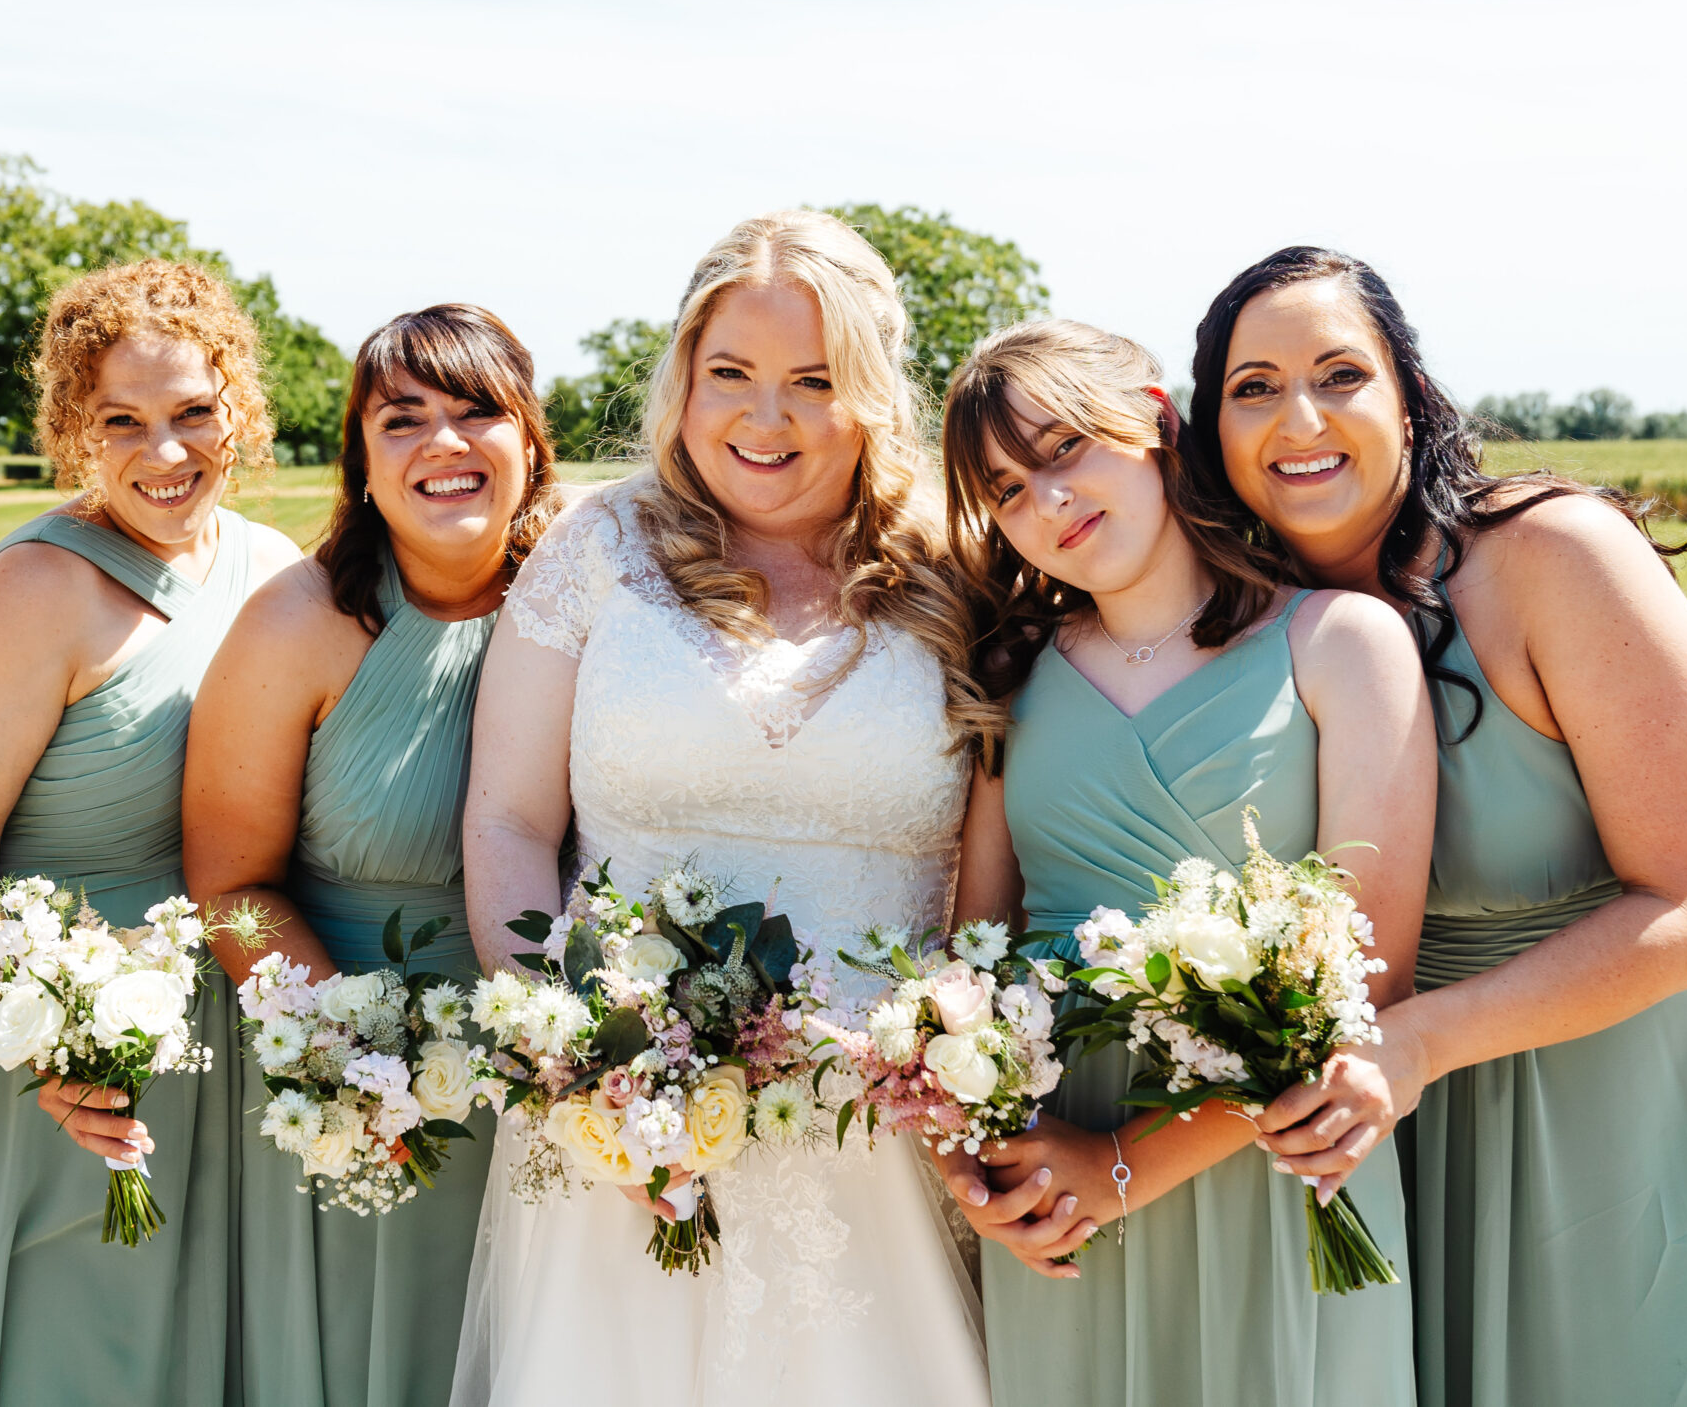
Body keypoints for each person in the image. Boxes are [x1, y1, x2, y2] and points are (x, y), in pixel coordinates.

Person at [1192, 248, 1687, 1407]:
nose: (1300, 416)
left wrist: (1425, 1042)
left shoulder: (1549, 556)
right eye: (1253, 386)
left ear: (1409, 396)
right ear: (1210, 425)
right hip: (1400, 1107)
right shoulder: (1232, 614)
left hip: (1623, 1078)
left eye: (1341, 373)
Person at [452, 210, 992, 1406]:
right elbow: (505, 823)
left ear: (871, 394)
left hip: (881, 1141)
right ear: (681, 382)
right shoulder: (600, 548)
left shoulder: (960, 570)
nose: (766, 417)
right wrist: (571, 1053)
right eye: (730, 375)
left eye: (814, 381)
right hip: (625, 1133)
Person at [931, 319, 1432, 1406]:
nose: (1047, 503)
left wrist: (1122, 1173)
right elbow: (966, 963)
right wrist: (980, 1173)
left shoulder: (1341, 642)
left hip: (1271, 1151)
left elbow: (1370, 980)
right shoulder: (1010, 680)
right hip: (1053, 1175)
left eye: (1064, 449)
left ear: (1155, 422)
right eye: (1009, 491)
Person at [0, 258, 302, 1407]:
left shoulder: (275, 569)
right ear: (75, 427)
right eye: (123, 421)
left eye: (194, 415)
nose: (165, 453)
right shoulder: (31, 593)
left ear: (239, 410)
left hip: (225, 1049)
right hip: (55, 1070)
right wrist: (54, 1045)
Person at [186, 303, 563, 1407]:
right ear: (361, 458)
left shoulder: (590, 603)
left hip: (565, 1074)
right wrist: (356, 1063)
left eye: (476, 412)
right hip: (365, 1087)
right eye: (403, 420)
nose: (444, 444)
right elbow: (229, 890)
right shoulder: (296, 624)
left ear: (529, 440)